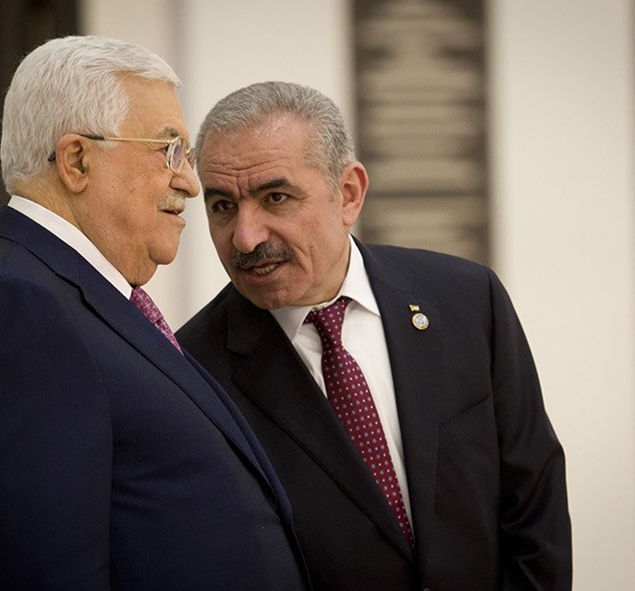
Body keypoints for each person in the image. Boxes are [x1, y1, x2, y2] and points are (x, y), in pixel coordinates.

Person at [0, 37, 309, 590]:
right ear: (76, 161)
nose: (190, 183)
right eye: (168, 150)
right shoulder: (16, 304)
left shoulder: (49, 286)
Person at [176, 81, 572, 590]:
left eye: (275, 197)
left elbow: (534, 507)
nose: (246, 237)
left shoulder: (466, 301)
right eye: (223, 207)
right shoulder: (192, 373)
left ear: (348, 193)